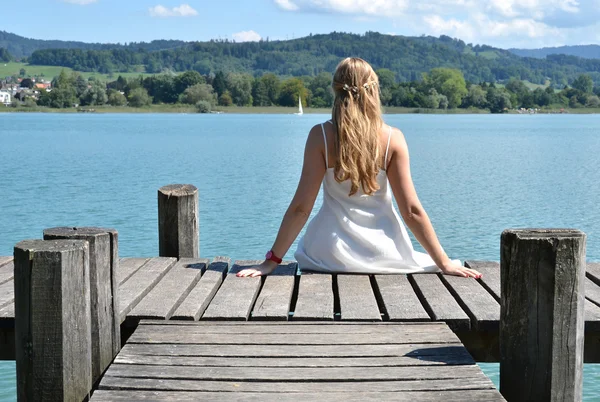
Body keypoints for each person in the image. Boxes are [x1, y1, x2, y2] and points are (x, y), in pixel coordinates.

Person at [237, 57, 481, 279]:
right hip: (384, 254)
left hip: (328, 254)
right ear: (373, 90)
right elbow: (411, 211)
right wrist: (444, 262)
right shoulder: (392, 139)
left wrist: (271, 262)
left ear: (335, 89)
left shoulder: (320, 136)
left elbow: (301, 208)